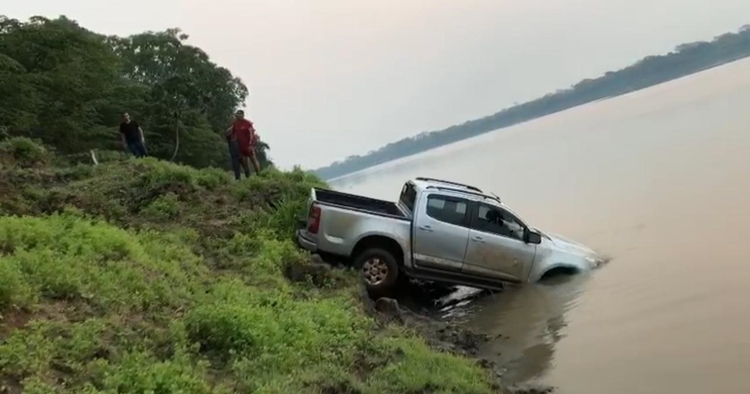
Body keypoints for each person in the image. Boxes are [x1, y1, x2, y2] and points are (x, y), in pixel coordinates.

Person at [226, 109, 261, 177]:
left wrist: (251, 145)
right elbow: (232, 133)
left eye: (239, 115)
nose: (237, 116)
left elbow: (251, 134)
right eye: (237, 115)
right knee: (244, 163)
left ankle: (259, 175)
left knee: (253, 159)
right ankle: (248, 176)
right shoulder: (235, 124)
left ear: (242, 115)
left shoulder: (248, 123)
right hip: (241, 146)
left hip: (248, 146)